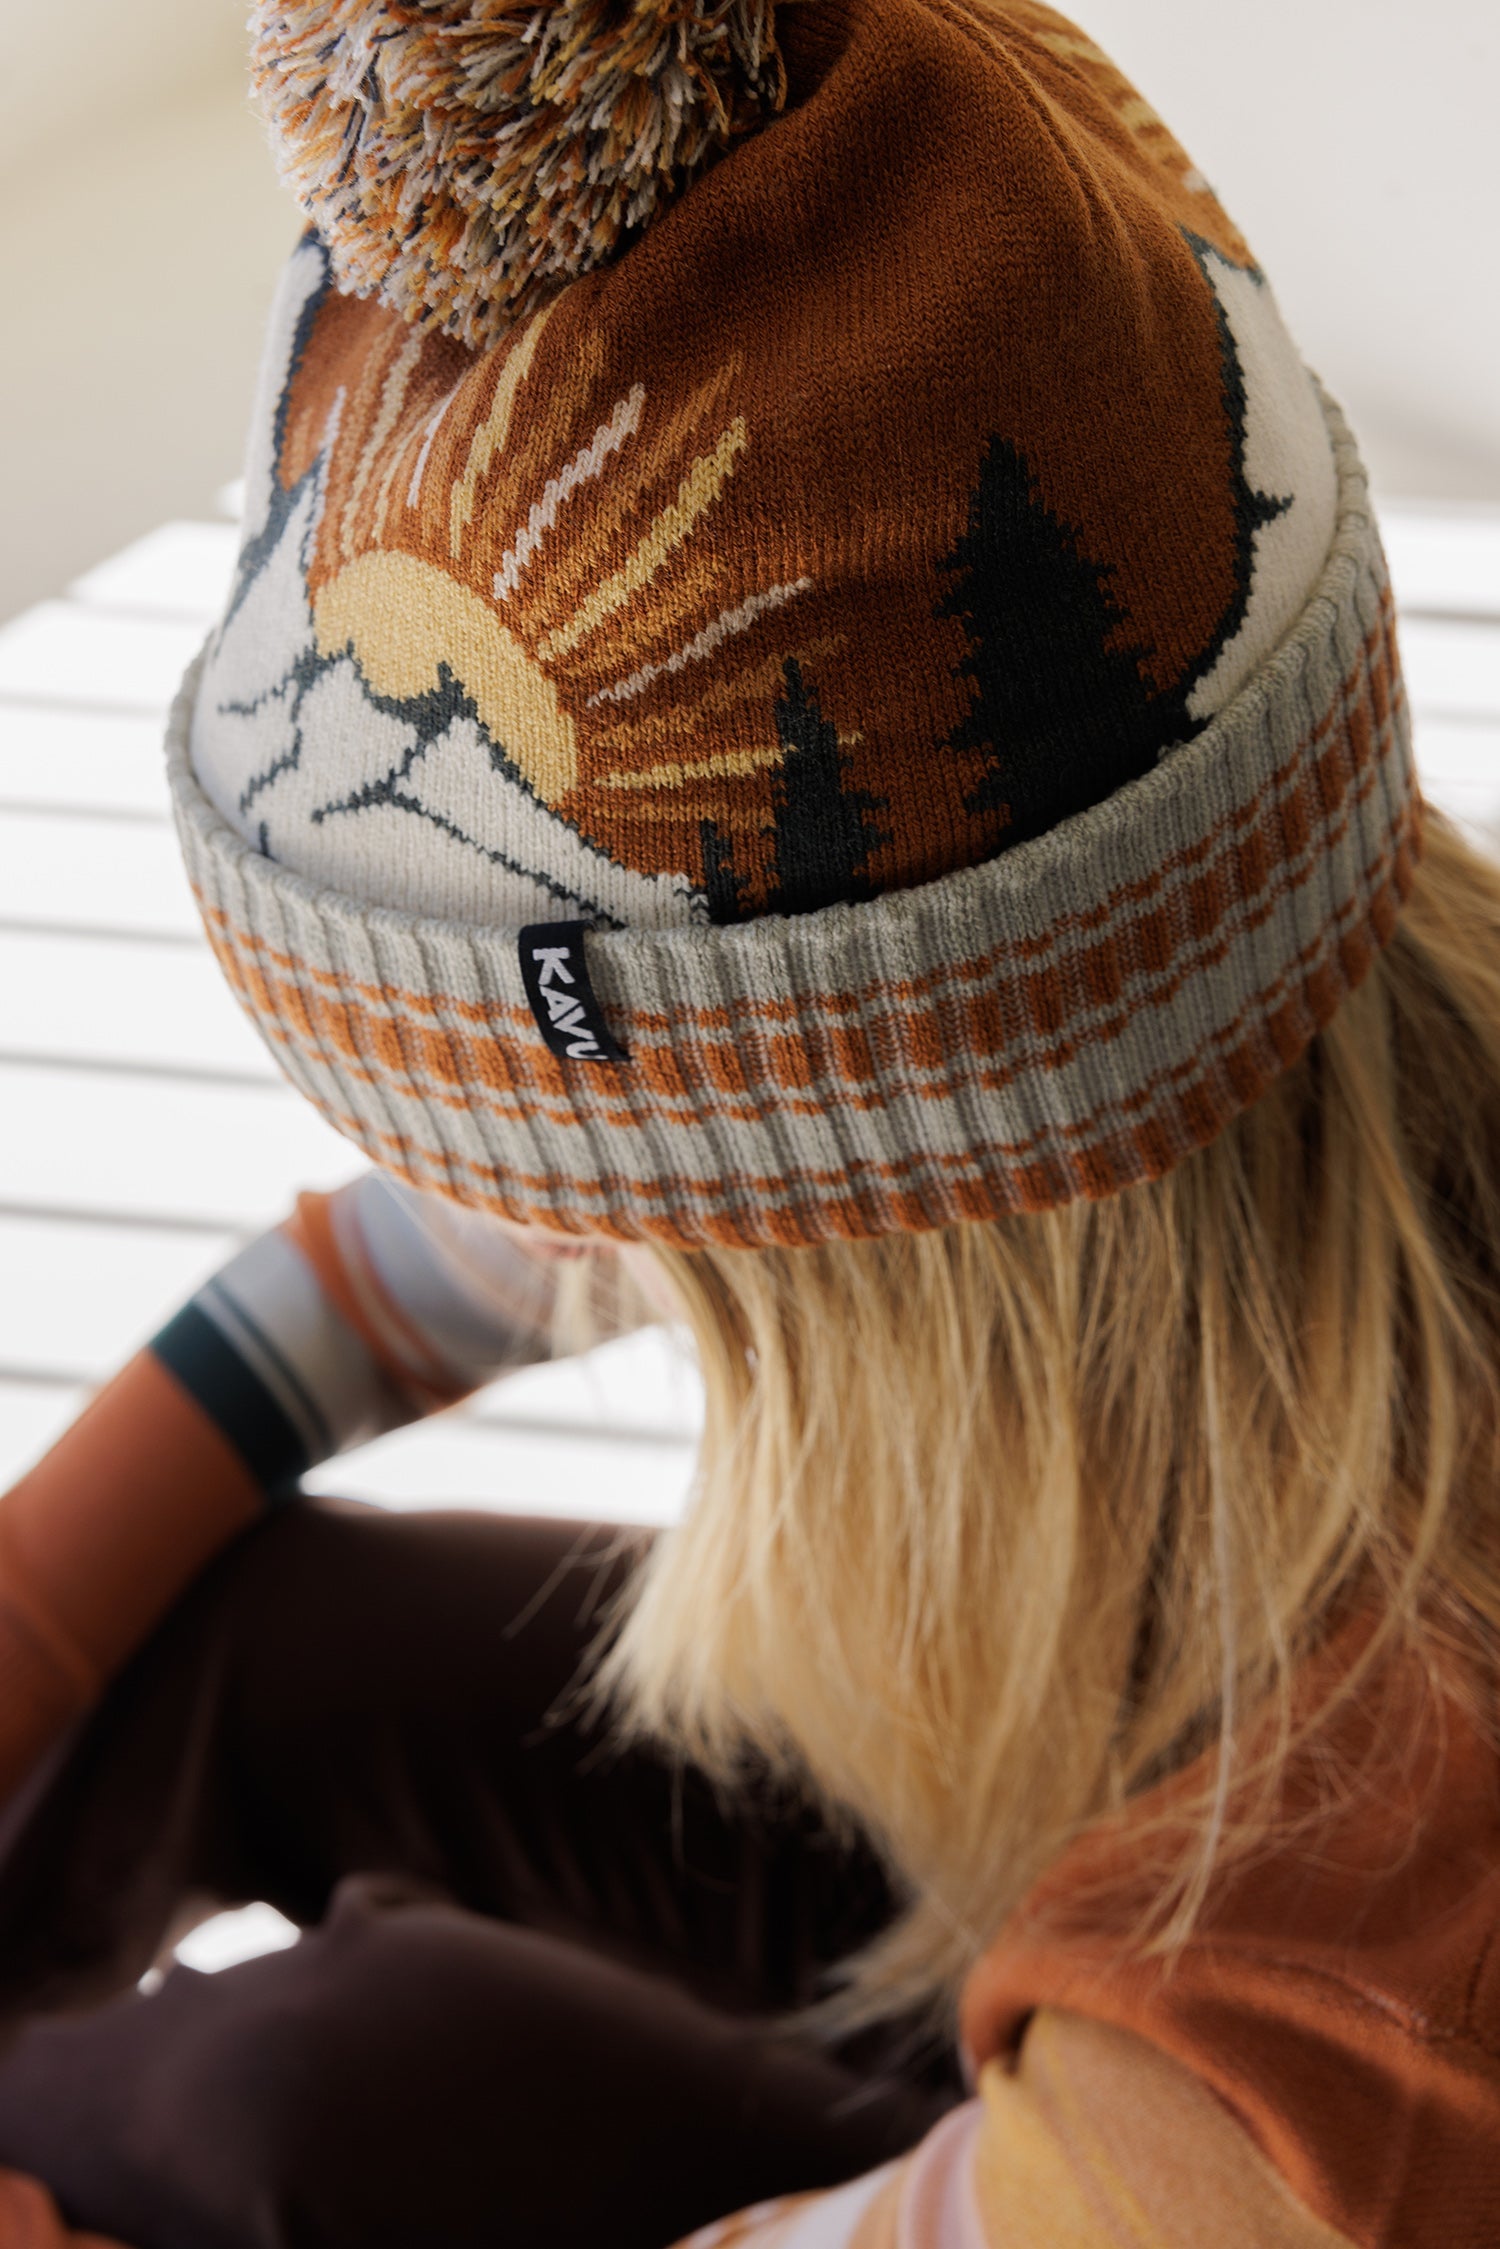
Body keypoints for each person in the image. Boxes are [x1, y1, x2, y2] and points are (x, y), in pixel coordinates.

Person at [0, 0, 1491, 2241]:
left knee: (289, 2110)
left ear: (900, 1217)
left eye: (577, 1187)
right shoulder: (1235, 1084)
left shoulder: (1320, 2086)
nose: (529, 1243)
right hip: (1144, 1776)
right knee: (246, 1673)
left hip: (1185, 2047)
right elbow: (390, 1284)